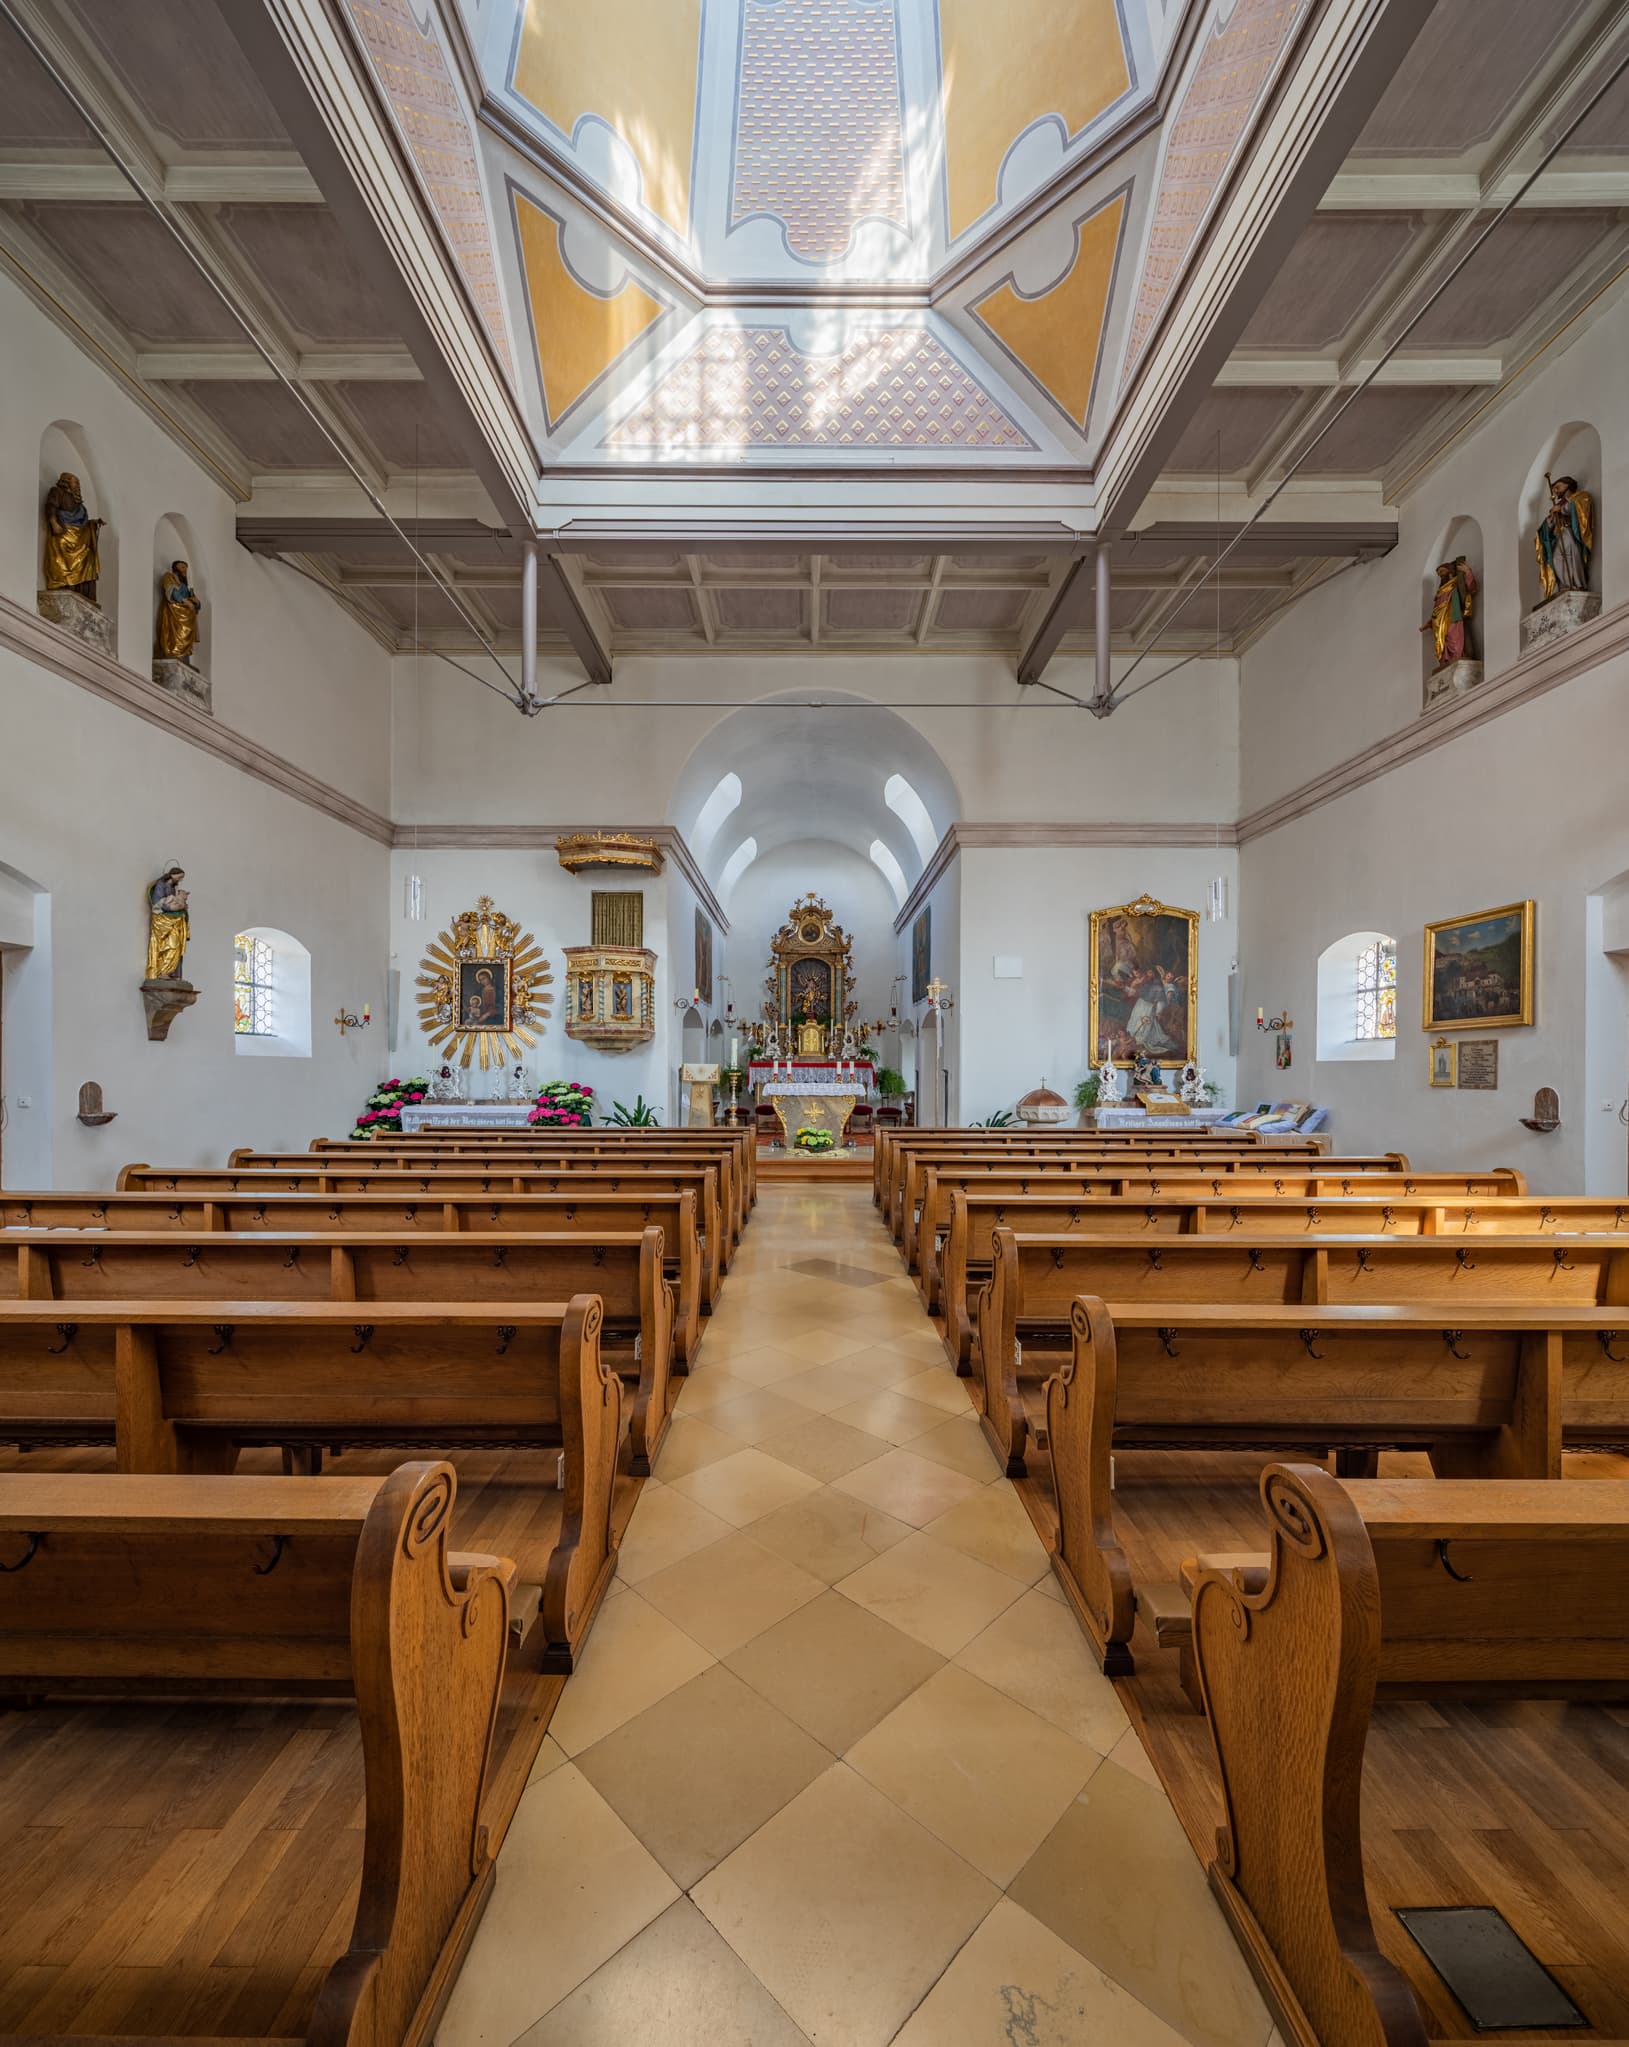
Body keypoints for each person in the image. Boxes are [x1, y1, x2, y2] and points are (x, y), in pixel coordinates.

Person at [43, 473, 105, 601]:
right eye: (76, 482)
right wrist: (54, 523)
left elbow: (82, 524)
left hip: (80, 537)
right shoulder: (57, 492)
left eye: (78, 483)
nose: (78, 486)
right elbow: (51, 507)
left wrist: (93, 523)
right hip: (64, 534)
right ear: (66, 482)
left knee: (87, 555)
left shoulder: (80, 505)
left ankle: (80, 591)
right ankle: (65, 586)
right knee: (62, 559)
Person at [1534, 474, 1594, 603]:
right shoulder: (1558, 505)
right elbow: (1547, 528)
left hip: (1571, 534)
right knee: (1556, 559)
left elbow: (1579, 510)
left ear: (1568, 485)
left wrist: (1562, 509)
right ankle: (1565, 585)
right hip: (1559, 536)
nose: (1555, 491)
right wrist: (1551, 519)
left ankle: (1577, 584)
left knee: (1572, 556)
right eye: (1554, 489)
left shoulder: (1580, 497)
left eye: (1557, 487)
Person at [1420, 556, 1477, 668]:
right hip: (1439, 622)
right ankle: (1446, 661)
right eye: (1439, 574)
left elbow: (1471, 588)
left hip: (1453, 615)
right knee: (1443, 642)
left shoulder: (1456, 583)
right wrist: (1430, 622)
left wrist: (1467, 572)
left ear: (1449, 570)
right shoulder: (1440, 591)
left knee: (1454, 639)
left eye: (1442, 571)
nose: (1441, 575)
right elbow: (1437, 609)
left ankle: (1457, 657)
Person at [145, 864, 190, 981]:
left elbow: (175, 901)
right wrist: (172, 908)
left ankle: (173, 973)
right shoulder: (161, 884)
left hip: (173, 920)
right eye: (179, 877)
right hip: (163, 920)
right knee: (171, 945)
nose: (180, 880)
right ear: (172, 875)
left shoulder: (172, 888)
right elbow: (157, 903)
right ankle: (163, 971)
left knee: (177, 944)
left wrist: (181, 907)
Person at [156, 559, 202, 666]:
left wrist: (197, 602)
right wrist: (185, 601)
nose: (185, 570)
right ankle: (173, 653)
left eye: (186, 568)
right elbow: (171, 591)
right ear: (175, 568)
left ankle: (183, 656)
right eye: (182, 567)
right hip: (174, 613)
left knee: (186, 633)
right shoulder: (169, 577)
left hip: (187, 616)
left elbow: (195, 603)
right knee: (175, 633)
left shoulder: (186, 587)